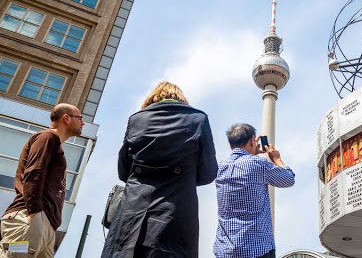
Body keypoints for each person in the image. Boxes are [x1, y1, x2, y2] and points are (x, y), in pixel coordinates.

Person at [101, 81, 218, 258]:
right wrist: (184, 177)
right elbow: (209, 173)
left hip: (132, 212)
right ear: (181, 98)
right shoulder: (198, 119)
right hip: (176, 212)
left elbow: (123, 171)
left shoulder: (136, 119)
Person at [0, 103, 84, 258]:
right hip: (31, 218)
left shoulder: (56, 144)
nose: (83, 122)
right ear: (66, 118)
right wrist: (34, 214)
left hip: (46, 226)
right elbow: (34, 173)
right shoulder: (47, 137)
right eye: (80, 118)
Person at [214, 124, 295, 258]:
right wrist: (276, 159)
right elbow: (289, 179)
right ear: (253, 140)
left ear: (230, 145)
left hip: (225, 250)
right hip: (257, 249)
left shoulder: (220, 168)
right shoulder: (257, 164)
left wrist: (251, 153)